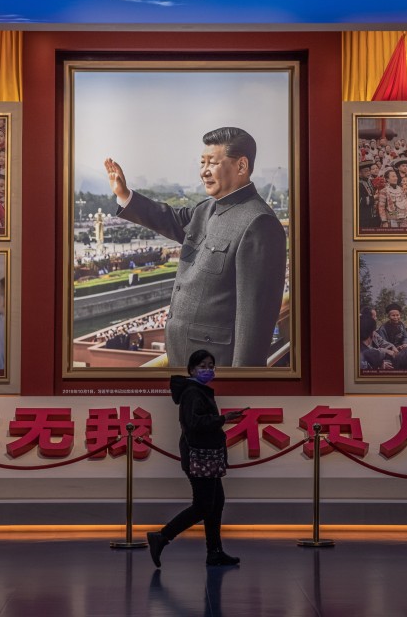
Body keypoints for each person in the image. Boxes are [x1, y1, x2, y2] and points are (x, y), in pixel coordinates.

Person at [105, 126, 287, 367]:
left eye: (212, 163)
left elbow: (254, 320)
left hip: (215, 368)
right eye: (202, 163)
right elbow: (168, 218)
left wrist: (243, 383)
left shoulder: (259, 222)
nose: (204, 172)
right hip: (184, 362)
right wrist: (125, 194)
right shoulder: (207, 209)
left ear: (241, 166)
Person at [146, 350, 245, 568]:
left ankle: (215, 551)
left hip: (205, 455)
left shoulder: (199, 390)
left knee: (216, 502)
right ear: (191, 369)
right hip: (199, 456)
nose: (208, 370)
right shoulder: (193, 392)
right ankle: (162, 537)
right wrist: (222, 419)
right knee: (202, 505)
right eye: (203, 366)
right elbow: (194, 423)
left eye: (211, 365)